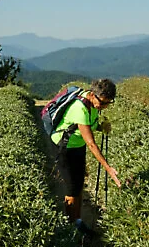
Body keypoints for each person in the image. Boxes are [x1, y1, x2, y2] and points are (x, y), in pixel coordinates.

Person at [50, 78, 122, 234]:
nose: (103, 106)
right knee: (71, 189)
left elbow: (90, 126)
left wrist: (101, 127)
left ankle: (77, 221)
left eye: (108, 103)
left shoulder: (93, 104)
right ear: (92, 94)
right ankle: (71, 227)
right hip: (65, 148)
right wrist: (108, 169)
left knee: (79, 184)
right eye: (102, 102)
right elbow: (91, 144)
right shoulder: (79, 108)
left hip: (77, 145)